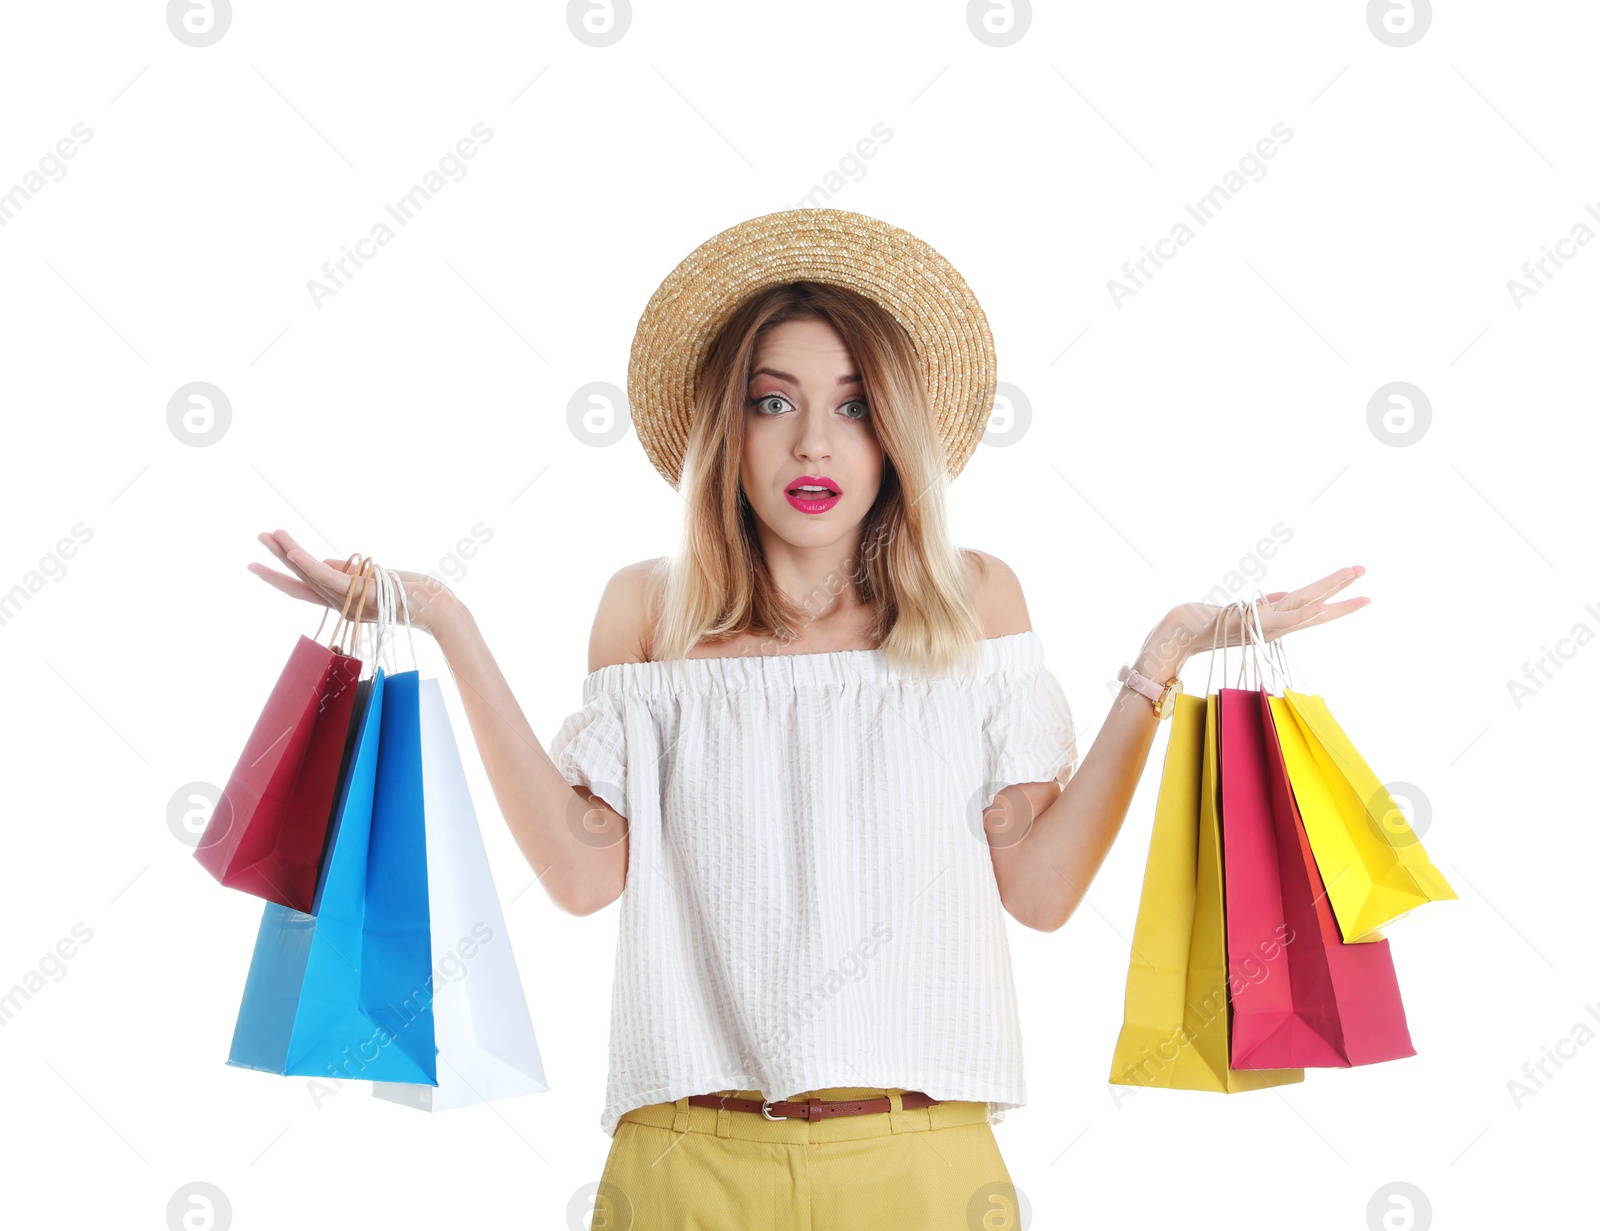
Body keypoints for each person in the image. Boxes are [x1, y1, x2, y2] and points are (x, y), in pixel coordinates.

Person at [249, 209, 1368, 1229]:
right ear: (723, 434)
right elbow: (587, 876)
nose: (813, 445)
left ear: (895, 437)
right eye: (772, 402)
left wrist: (1160, 660)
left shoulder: (978, 602)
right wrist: (449, 624)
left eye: (852, 406)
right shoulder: (648, 609)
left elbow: (1038, 889)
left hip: (921, 1161)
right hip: (684, 1161)